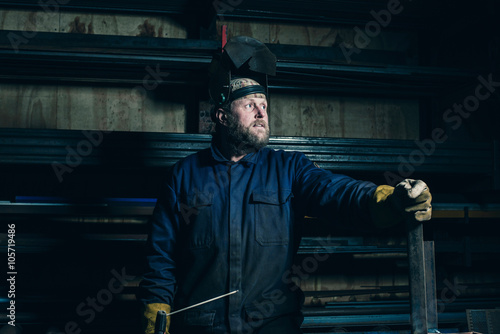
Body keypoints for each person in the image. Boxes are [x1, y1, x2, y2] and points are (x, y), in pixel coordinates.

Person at [138, 36, 432, 334]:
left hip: (271, 326)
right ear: (222, 116)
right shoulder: (183, 176)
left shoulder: (288, 169)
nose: (262, 112)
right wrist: (156, 309)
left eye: (264, 104)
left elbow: (335, 191)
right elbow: (161, 256)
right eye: (250, 104)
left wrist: (386, 199)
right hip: (202, 328)